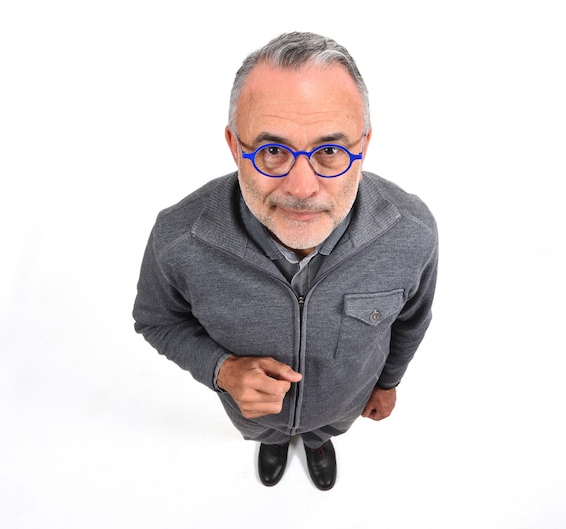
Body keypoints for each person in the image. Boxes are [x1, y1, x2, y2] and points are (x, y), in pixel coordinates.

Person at [133, 31, 438, 491]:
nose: (301, 188)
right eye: (272, 151)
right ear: (236, 147)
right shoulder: (178, 238)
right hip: (254, 416)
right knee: (267, 430)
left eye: (330, 151)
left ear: (365, 145)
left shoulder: (413, 231)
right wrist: (223, 371)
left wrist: (388, 383)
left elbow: (412, 321)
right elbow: (156, 320)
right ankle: (274, 443)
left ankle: (317, 442)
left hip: (342, 406)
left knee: (325, 430)